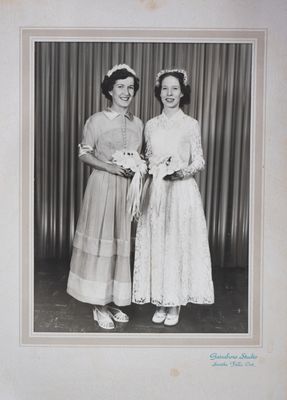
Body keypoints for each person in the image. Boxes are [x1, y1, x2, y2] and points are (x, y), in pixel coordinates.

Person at [132, 68, 214, 326]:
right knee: (157, 242)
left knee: (176, 243)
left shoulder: (191, 124)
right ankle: (159, 300)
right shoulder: (151, 125)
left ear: (182, 92)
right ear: (159, 92)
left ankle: (174, 302)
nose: (169, 93)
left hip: (181, 192)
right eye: (165, 88)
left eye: (174, 89)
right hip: (156, 192)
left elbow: (199, 158)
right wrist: (144, 166)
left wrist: (183, 171)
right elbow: (147, 156)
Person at [67, 64, 143, 330]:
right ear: (110, 90)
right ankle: (97, 305)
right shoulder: (96, 120)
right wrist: (109, 166)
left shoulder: (138, 123)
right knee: (102, 241)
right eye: (120, 86)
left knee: (118, 244)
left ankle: (111, 300)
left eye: (130, 88)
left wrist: (139, 166)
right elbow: (84, 153)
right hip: (102, 187)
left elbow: (138, 156)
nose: (126, 92)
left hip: (125, 191)